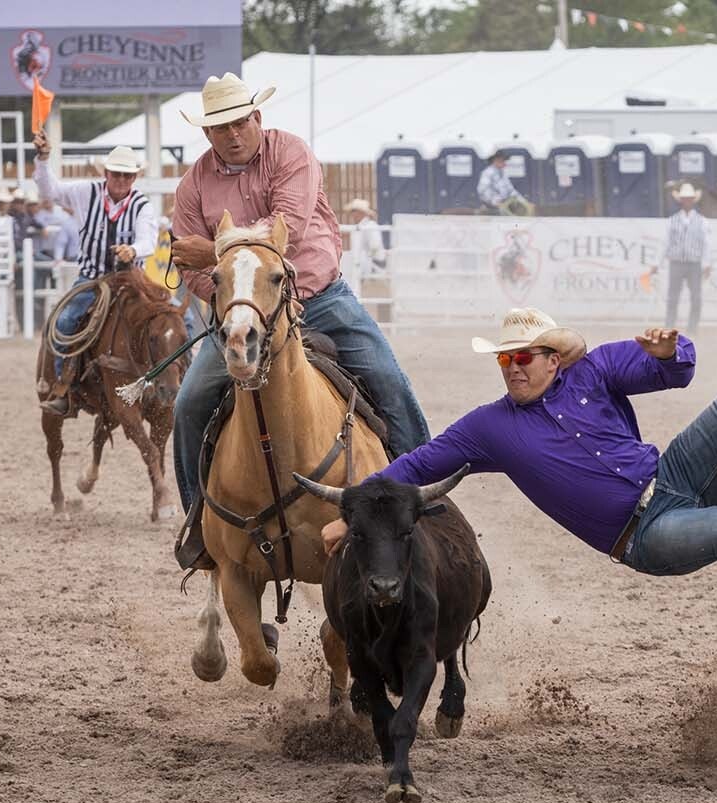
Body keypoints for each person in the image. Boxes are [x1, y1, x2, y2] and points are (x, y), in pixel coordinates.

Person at [319, 308, 717, 594]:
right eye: (505, 360)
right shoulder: (490, 427)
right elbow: (417, 464)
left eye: (523, 357)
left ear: (553, 358)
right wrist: (353, 511)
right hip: (643, 536)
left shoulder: (595, 369)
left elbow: (679, 372)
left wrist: (669, 354)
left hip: (675, 473)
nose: (512, 368)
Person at [166, 72, 431, 512]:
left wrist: (216, 252)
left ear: (257, 118)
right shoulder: (193, 185)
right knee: (189, 405)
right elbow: (189, 266)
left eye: (240, 122)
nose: (233, 134)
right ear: (207, 133)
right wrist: (229, 289)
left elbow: (285, 229)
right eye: (220, 127)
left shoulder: (290, 153)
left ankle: (424, 499)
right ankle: (199, 519)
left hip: (318, 299)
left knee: (387, 380)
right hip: (240, 312)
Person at [30, 136, 158, 415]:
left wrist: (133, 250)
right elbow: (50, 190)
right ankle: (64, 387)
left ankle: (172, 378)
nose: (121, 180)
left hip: (130, 280)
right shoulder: (85, 192)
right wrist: (42, 160)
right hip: (92, 278)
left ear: (135, 177)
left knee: (173, 318)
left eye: (127, 175)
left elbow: (148, 240)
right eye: (117, 174)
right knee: (65, 321)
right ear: (106, 173)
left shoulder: (142, 206)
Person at [648, 183, 710, 332]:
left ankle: (692, 328)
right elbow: (665, 243)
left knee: (696, 297)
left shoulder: (702, 221)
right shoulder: (672, 220)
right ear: (681, 200)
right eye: (684, 199)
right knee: (673, 297)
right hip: (676, 263)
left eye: (689, 198)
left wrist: (707, 264)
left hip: (694, 263)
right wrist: (657, 263)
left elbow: (706, 244)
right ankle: (669, 326)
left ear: (693, 200)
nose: (687, 201)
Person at [340, 197, 387, 298]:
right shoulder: (360, 227)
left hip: (373, 268)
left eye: (354, 211)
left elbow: (375, 246)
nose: (352, 215)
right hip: (364, 268)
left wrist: (366, 262)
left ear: (360, 212)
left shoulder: (370, 226)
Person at [477, 150, 535, 215]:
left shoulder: (502, 173)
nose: (505, 163)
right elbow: (483, 190)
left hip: (503, 205)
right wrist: (494, 201)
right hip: (490, 207)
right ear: (495, 161)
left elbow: (511, 190)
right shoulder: (487, 173)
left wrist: (524, 202)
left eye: (504, 161)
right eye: (502, 161)